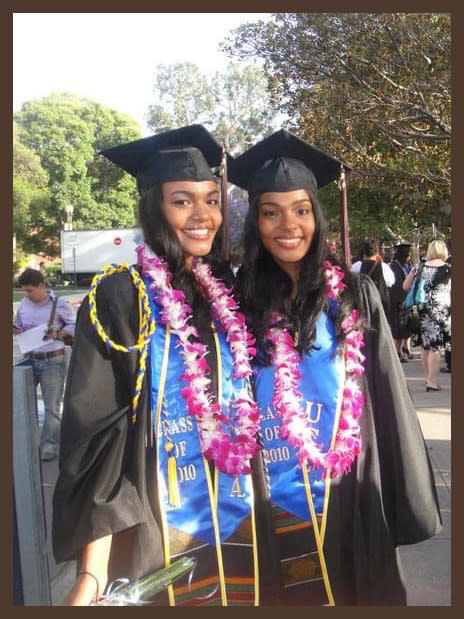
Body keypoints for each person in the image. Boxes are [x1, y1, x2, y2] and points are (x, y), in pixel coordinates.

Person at [52, 125, 263, 606]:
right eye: (182, 201)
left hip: (241, 526)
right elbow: (96, 436)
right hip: (155, 528)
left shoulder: (226, 293)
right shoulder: (121, 297)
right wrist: (92, 575)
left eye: (211, 200)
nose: (203, 215)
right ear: (153, 208)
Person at [229, 129, 442, 605]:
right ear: (255, 223)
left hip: (347, 490)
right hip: (267, 494)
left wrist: (400, 495)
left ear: (317, 217)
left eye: (301, 210)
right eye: (271, 212)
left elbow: (386, 391)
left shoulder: (352, 294)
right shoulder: (235, 303)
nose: (289, 224)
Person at [13, 268, 76, 460]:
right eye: (24, 291)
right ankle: (28, 443)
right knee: (22, 402)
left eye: (30, 290)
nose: (27, 294)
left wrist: (59, 334)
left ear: (41, 286)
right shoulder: (24, 304)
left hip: (53, 360)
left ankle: (49, 446)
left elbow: (75, 324)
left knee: (51, 406)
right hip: (29, 359)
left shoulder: (59, 304)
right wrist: (15, 328)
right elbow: (19, 325)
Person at [403, 239, 451, 391]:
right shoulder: (448, 268)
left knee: (425, 346)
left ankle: (427, 378)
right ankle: (432, 381)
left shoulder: (419, 267)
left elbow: (405, 286)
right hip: (440, 310)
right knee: (435, 347)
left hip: (421, 310)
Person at [351, 239, 394, 318]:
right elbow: (391, 282)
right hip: (379, 306)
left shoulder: (356, 267)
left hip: (362, 306)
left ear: (364, 253)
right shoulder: (384, 267)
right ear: (377, 253)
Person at [388, 243, 413, 362]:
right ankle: (397, 352)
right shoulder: (394, 267)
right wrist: (402, 301)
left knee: (406, 328)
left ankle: (405, 349)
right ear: (403, 256)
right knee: (398, 329)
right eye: (408, 255)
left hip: (406, 302)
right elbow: (397, 287)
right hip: (397, 302)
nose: (410, 257)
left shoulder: (406, 266)